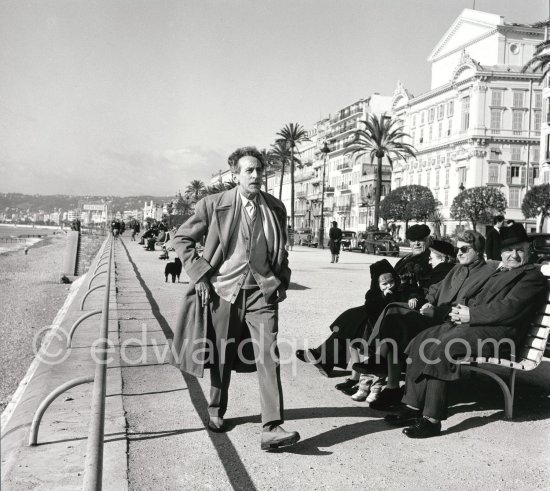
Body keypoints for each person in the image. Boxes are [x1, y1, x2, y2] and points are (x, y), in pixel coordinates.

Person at [168, 146, 299, 451]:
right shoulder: (214, 205)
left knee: (269, 356)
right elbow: (182, 238)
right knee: (223, 355)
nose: (255, 175)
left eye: (259, 170)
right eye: (249, 170)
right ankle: (215, 410)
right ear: (236, 175)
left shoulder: (275, 208)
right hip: (224, 290)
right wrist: (201, 273)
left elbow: (282, 250)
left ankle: (272, 427)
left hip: (261, 292)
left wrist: (282, 279)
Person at [387, 223, 548, 438]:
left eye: (519, 249)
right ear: (501, 252)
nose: (514, 255)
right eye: (509, 250)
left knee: (446, 347)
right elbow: (478, 298)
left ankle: (431, 419)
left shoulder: (531, 276)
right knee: (422, 339)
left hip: (502, 336)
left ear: (528, 250)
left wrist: (471, 315)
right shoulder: (500, 272)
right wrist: (459, 312)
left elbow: (510, 308)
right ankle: (412, 407)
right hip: (480, 327)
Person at [354, 231, 494, 410]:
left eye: (464, 249)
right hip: (435, 315)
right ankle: (389, 381)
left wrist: (435, 311)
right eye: (458, 249)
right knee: (394, 311)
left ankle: (385, 374)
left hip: (448, 324)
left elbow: (470, 306)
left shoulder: (485, 274)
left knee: (396, 319)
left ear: (478, 250)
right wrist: (427, 302)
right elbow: (435, 288)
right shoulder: (458, 268)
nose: (459, 253)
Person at [294, 224, 433, 383]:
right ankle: (325, 358)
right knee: (354, 316)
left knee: (356, 317)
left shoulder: (427, 260)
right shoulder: (407, 258)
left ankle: (325, 358)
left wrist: (412, 297)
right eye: (413, 240)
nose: (416, 244)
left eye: (420, 240)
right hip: (390, 298)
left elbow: (425, 289)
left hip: (403, 304)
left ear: (427, 240)